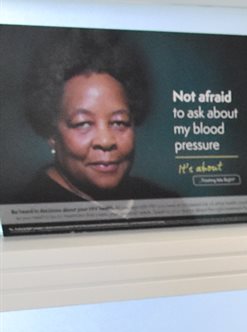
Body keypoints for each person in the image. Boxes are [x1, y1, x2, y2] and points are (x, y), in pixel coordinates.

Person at [14, 29, 177, 209]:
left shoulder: (166, 204)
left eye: (119, 122)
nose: (105, 141)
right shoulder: (24, 211)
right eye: (83, 123)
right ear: (52, 134)